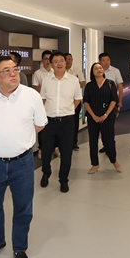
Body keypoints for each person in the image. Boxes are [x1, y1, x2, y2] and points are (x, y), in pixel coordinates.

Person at [0, 55, 47, 258]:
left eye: (15, 69)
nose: (13, 73)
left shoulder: (32, 96)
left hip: (22, 163)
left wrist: (20, 140)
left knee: (23, 208)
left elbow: (40, 124)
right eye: (6, 70)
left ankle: (19, 248)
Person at [39, 51, 82, 192]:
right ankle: (46, 172)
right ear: (51, 64)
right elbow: (43, 99)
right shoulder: (46, 80)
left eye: (61, 61)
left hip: (67, 122)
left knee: (66, 152)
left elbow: (77, 99)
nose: (59, 64)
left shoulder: (73, 80)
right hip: (49, 121)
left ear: (66, 62)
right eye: (55, 61)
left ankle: (63, 179)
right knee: (46, 151)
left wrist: (68, 110)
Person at [83, 62, 122, 174]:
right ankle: (95, 164)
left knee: (109, 140)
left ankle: (114, 161)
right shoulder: (89, 86)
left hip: (107, 117)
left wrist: (105, 115)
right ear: (92, 72)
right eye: (96, 68)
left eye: (100, 68)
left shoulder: (110, 83)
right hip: (93, 118)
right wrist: (94, 116)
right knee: (93, 141)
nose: (99, 70)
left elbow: (114, 100)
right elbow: (86, 102)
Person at [98, 53, 123, 153]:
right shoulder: (97, 70)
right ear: (100, 61)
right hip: (99, 103)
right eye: (103, 60)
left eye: (108, 60)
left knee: (110, 126)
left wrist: (120, 100)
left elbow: (120, 86)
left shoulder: (115, 71)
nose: (106, 62)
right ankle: (105, 144)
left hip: (112, 102)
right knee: (102, 126)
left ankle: (111, 146)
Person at [32, 50, 54, 159]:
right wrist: (49, 88)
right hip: (42, 105)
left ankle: (55, 148)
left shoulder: (55, 72)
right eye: (45, 59)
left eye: (49, 59)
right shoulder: (38, 73)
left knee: (54, 128)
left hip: (54, 104)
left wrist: (45, 88)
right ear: (42, 60)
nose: (48, 61)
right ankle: (41, 149)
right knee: (43, 128)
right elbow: (36, 87)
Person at [65, 52, 85, 150]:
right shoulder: (60, 71)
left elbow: (82, 82)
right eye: (66, 59)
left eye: (69, 59)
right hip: (64, 101)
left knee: (75, 122)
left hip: (75, 100)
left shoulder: (77, 71)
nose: (68, 61)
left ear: (72, 60)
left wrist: (72, 87)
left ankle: (74, 142)